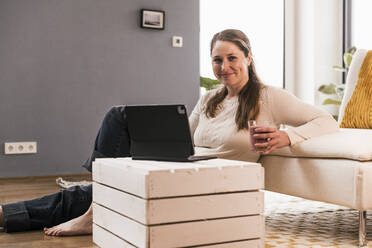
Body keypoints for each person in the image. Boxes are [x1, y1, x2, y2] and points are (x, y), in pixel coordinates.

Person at [0, 29, 339, 236]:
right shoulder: (209, 98)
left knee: (88, 194)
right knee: (117, 119)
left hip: (218, 182)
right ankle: (12, 215)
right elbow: (185, 139)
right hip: (185, 168)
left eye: (232, 58)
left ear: (249, 57)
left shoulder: (269, 97)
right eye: (217, 60)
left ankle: (87, 212)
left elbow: (326, 120)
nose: (224, 68)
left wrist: (287, 137)